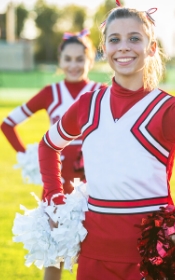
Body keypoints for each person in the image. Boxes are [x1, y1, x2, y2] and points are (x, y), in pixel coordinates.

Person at [38, 5, 175, 280]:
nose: (123, 47)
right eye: (114, 39)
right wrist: (54, 198)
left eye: (134, 38)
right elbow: (48, 145)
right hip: (93, 255)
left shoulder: (168, 111)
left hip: (150, 257)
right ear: (104, 48)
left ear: (152, 48)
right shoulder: (88, 104)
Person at [1, 29, 103, 280]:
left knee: (95, 255)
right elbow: (7, 123)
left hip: (96, 183)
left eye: (80, 59)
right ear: (60, 61)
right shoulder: (51, 93)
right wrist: (27, 156)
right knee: (54, 254)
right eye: (68, 59)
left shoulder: (102, 92)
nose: (74, 65)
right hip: (57, 181)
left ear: (90, 60)